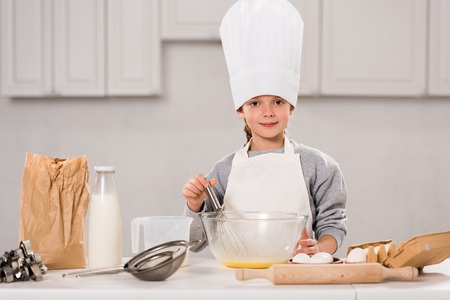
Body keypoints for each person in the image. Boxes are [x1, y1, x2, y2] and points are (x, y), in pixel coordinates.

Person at [182, 0, 347, 256]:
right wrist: (195, 205)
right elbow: (194, 243)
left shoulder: (318, 166)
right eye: (255, 103)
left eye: (278, 101)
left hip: (295, 280)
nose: (268, 112)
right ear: (241, 110)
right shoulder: (223, 172)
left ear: (291, 107)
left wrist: (320, 249)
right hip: (236, 281)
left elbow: (332, 224)